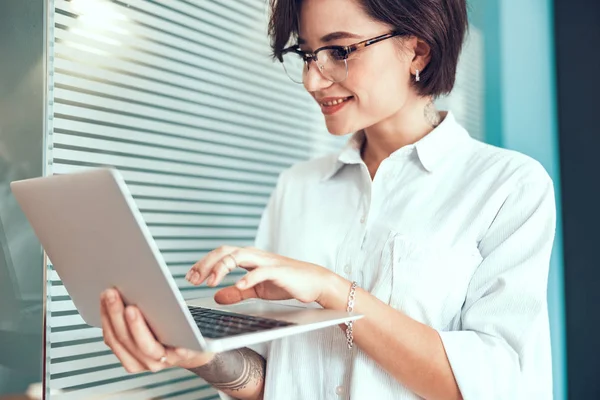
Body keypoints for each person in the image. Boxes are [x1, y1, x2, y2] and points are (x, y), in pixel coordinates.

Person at [99, 0, 556, 399]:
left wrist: (333, 291)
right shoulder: (297, 188)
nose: (313, 81)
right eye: (306, 53)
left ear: (418, 49)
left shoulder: (508, 187)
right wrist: (198, 355)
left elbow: (495, 384)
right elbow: (275, 382)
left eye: (339, 51)